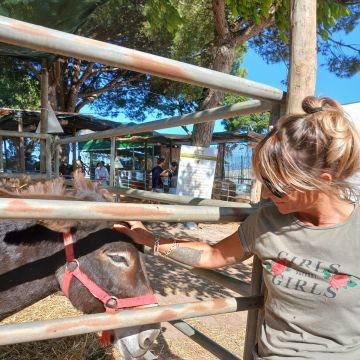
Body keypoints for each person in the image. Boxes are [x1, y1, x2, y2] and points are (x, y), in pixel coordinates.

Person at [115, 96, 360, 360]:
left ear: (321, 181)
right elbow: (213, 254)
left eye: (276, 186)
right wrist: (150, 239)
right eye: (264, 182)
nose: (265, 194)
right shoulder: (267, 220)